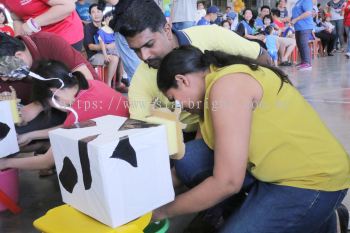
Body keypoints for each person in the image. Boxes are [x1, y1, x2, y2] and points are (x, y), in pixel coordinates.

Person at [153, 44, 350, 233]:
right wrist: (149, 196)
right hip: (276, 174)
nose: (179, 106)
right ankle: (317, 222)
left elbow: (228, 182)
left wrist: (161, 211)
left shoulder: (227, 86)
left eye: (173, 98)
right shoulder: (210, 97)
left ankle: (319, 219)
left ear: (183, 80)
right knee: (191, 159)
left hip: (313, 181)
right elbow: (187, 165)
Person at [110, 0, 272, 133]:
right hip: (193, 133)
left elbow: (262, 56)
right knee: (187, 161)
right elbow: (140, 129)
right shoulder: (141, 78)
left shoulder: (212, 37)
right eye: (136, 50)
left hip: (244, 120)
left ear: (166, 30)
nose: (144, 56)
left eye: (149, 44)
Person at [0, 60, 129, 171]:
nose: (50, 105)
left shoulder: (78, 113)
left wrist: (6, 163)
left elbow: (46, 162)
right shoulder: (91, 84)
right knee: (49, 144)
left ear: (53, 92)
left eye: (47, 102)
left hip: (117, 159)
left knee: (60, 153)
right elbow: (68, 127)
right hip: (127, 140)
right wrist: (30, 135)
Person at [0, 32, 97, 128]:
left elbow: (87, 84)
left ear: (19, 56)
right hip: (49, 112)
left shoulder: (49, 42)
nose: (3, 79)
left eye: (2, 73)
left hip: (86, 104)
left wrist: (39, 104)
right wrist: (16, 114)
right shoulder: (6, 65)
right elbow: (16, 116)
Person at [0, 0, 84, 51]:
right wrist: (18, 40)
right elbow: (16, 18)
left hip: (65, 33)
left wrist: (32, 24)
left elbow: (68, 6)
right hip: (40, 39)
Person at [84, 4, 126, 92]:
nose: (96, 14)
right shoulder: (88, 28)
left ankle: (118, 82)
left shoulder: (106, 26)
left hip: (108, 53)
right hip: (94, 56)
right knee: (114, 58)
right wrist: (107, 46)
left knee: (121, 54)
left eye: (99, 11)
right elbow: (90, 46)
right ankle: (108, 85)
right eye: (93, 12)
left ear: (102, 13)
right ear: (90, 15)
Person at [291, 0, 314, 70]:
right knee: (299, 44)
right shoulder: (299, 1)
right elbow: (297, 13)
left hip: (305, 26)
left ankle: (307, 63)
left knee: (303, 44)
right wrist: (291, 19)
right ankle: (303, 62)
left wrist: (296, 19)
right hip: (298, 27)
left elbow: (308, 13)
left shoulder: (306, 1)